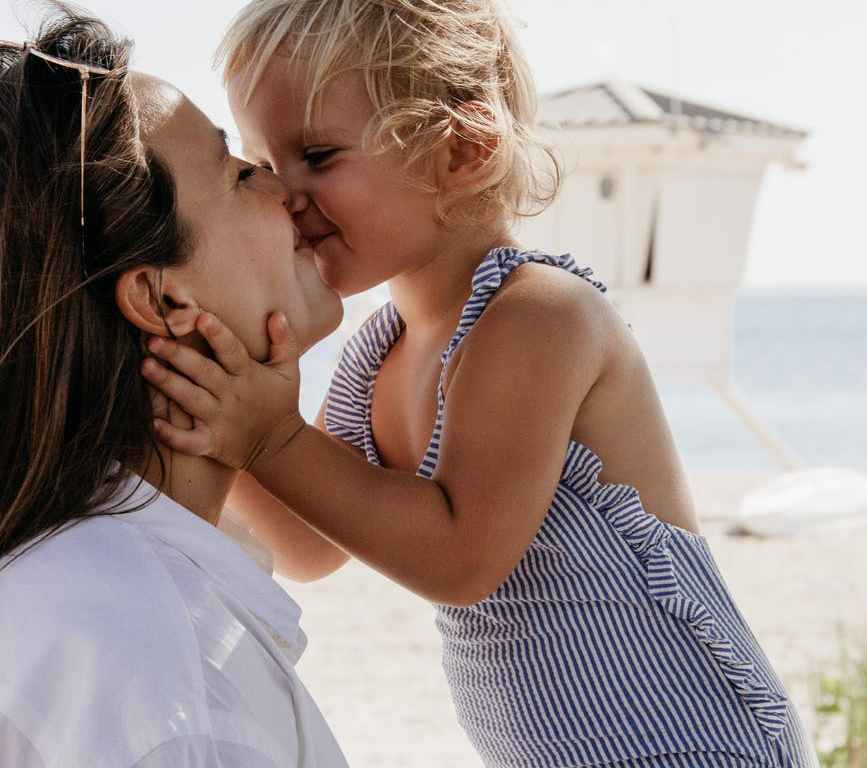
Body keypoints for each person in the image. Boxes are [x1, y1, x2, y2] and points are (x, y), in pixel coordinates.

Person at [143, 1, 820, 766]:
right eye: (263, 165)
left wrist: (268, 435)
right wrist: (219, 411)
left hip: (694, 741)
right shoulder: (377, 352)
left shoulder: (537, 317)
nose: (283, 195)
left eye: (319, 156)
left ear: (462, 149)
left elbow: (458, 559)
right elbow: (307, 548)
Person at [0, 7, 347, 767]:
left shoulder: (71, 591)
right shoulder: (166, 677)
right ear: (162, 300)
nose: (286, 188)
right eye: (240, 172)